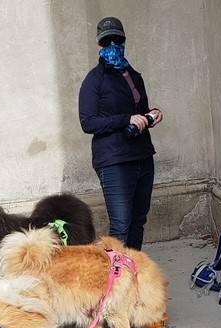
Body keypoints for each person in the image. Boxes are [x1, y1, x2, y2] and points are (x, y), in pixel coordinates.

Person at [79, 17, 163, 250]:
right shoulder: (93, 80)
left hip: (143, 156)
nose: (113, 44)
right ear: (100, 44)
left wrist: (150, 116)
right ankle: (115, 281)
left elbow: (139, 112)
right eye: (108, 40)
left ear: (124, 39)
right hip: (114, 160)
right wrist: (125, 119)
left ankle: (134, 274)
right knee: (121, 226)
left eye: (117, 39)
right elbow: (88, 122)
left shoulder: (134, 76)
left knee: (138, 221)